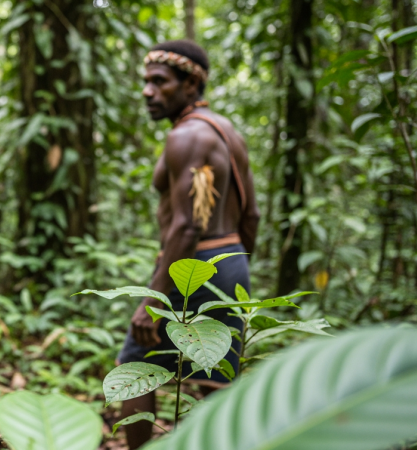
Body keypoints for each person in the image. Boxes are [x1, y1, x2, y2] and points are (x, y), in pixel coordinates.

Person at [116, 40, 260, 448]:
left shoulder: (186, 138)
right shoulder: (226, 131)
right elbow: (252, 215)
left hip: (191, 261)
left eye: (159, 82)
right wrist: (233, 268)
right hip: (229, 258)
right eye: (145, 81)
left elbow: (186, 227)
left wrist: (151, 303)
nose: (147, 91)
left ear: (191, 81)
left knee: (134, 368)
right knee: (218, 377)